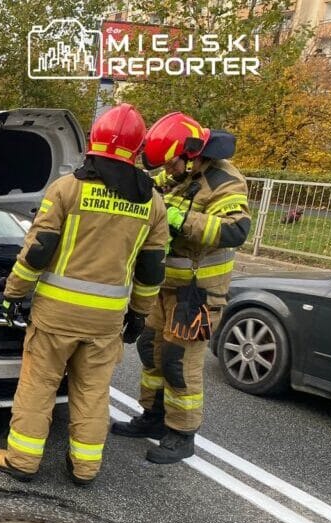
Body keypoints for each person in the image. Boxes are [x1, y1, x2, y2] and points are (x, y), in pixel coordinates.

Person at [0, 103, 168, 487]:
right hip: (106, 321)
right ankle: (85, 468)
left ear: (95, 142)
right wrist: (139, 314)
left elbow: (38, 250)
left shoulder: (67, 189)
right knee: (91, 391)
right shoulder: (152, 203)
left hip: (56, 316)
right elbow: (153, 268)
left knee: (38, 386)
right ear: (136, 149)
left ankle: (22, 460)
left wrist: (13, 294)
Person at [111, 112, 251, 463]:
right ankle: (153, 418)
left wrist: (178, 218)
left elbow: (235, 230)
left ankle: (182, 433)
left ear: (190, 153)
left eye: (171, 163)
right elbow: (151, 188)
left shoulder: (223, 180)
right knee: (150, 348)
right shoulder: (179, 173)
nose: (168, 170)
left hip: (197, 292)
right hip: (165, 286)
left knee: (179, 360)